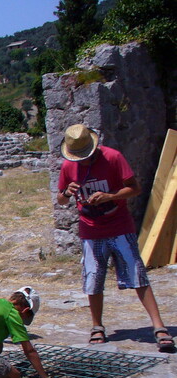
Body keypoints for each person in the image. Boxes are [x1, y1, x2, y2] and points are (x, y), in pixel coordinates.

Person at [56, 124, 174, 352]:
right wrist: (66, 193)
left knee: (137, 273)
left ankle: (159, 326)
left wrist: (110, 196)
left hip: (119, 226)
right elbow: (61, 200)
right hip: (90, 231)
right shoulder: (68, 166)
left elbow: (135, 188)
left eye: (85, 156)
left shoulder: (113, 157)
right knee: (93, 277)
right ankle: (97, 326)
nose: (82, 161)